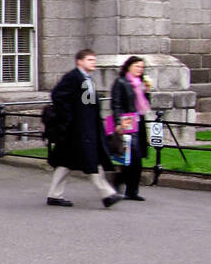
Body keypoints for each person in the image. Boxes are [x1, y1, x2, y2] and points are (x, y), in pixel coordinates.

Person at [46, 48, 122, 209]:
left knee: (66, 162)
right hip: (77, 130)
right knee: (91, 160)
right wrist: (69, 117)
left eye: (94, 60)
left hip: (87, 128)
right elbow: (58, 95)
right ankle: (107, 194)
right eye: (89, 60)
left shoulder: (87, 79)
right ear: (79, 61)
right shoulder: (73, 77)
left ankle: (54, 195)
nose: (93, 63)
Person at [110, 55, 151, 201]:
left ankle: (132, 191)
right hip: (126, 121)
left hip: (139, 121)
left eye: (141, 67)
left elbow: (144, 104)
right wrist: (117, 122)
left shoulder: (140, 83)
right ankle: (118, 183)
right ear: (129, 66)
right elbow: (116, 103)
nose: (140, 69)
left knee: (138, 158)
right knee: (129, 158)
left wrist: (146, 92)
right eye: (137, 66)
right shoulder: (121, 82)